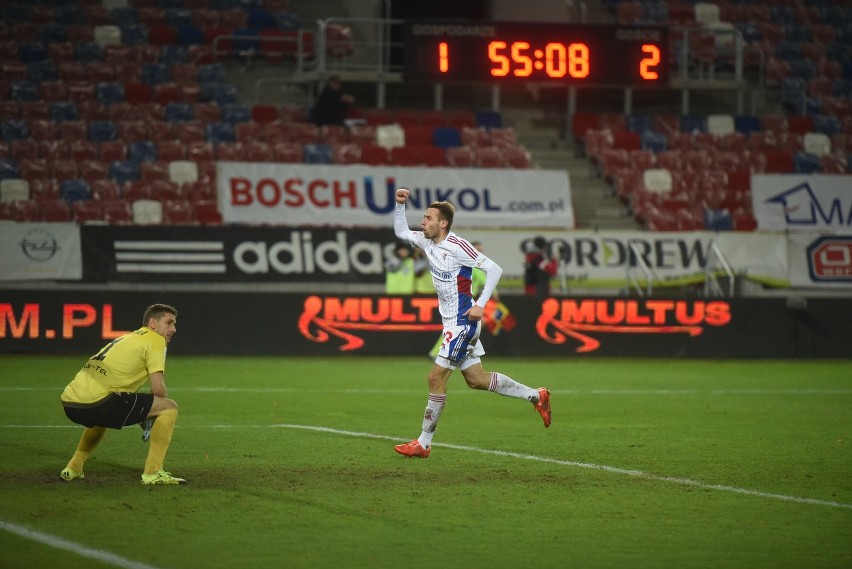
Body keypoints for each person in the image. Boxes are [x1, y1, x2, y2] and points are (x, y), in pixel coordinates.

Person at [391, 188, 551, 458]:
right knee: (476, 380)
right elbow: (400, 232)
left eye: (428, 218)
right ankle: (537, 396)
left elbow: (494, 269)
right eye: (423, 217)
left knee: (435, 377)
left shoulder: (458, 246)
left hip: (462, 324)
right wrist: (399, 205)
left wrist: (481, 305)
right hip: (454, 324)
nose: (423, 222)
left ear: (443, 223)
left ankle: (424, 443)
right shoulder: (427, 242)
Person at [59, 304, 186, 485]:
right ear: (152, 323)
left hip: (70, 403)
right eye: (169, 323)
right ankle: (153, 473)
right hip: (101, 403)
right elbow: (158, 389)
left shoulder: (128, 337)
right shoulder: (156, 340)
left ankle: (73, 467)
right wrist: (153, 414)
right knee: (169, 408)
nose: (174, 329)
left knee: (102, 413)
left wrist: (145, 413)